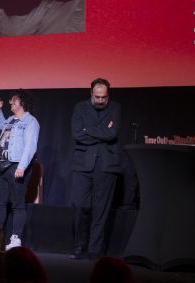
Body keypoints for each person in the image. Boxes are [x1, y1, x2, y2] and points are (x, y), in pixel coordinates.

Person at [71, 78, 122, 260]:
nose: (100, 100)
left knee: (101, 209)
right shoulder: (80, 108)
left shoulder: (115, 108)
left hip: (106, 165)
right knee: (80, 205)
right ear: (91, 93)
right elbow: (77, 133)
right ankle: (79, 246)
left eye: (104, 97)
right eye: (97, 97)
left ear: (108, 95)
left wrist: (88, 130)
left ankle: (94, 250)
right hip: (82, 164)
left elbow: (112, 133)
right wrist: (101, 133)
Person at [0, 90, 40, 250]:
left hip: (16, 165)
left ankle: (16, 239)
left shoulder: (30, 122)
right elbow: (0, 125)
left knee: (17, 204)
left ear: (22, 103)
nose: (10, 102)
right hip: (1, 165)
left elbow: (30, 146)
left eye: (13, 100)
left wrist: (21, 166)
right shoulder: (11, 119)